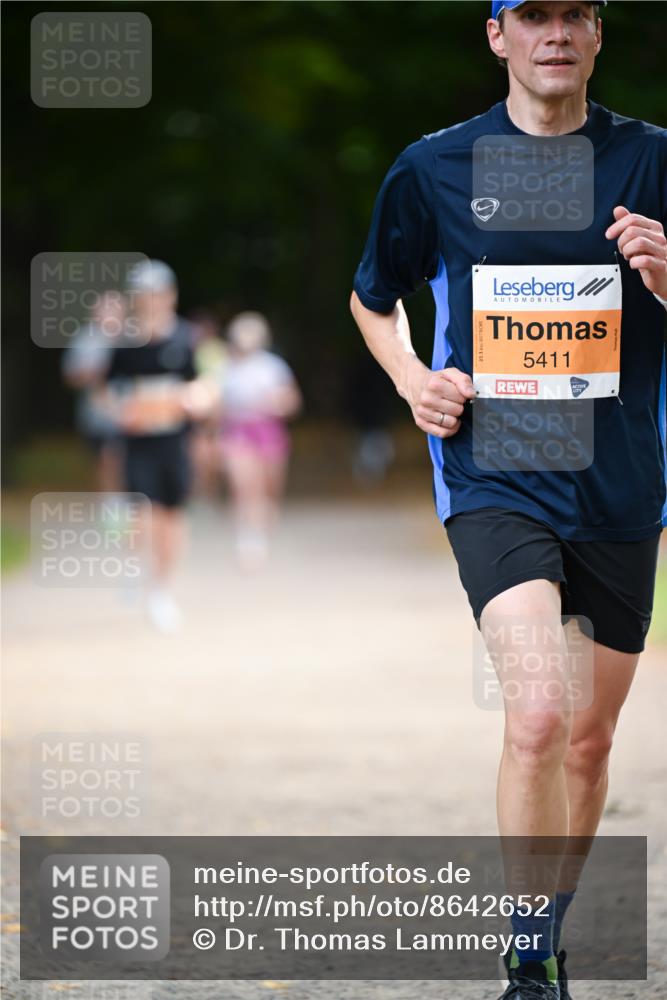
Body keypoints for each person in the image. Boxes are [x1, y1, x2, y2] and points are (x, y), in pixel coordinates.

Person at [350, 3, 666, 998]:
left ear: (599, 33)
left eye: (575, 13)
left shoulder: (652, 161)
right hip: (495, 472)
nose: (554, 32)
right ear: (497, 36)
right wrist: (411, 379)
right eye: (532, 15)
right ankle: (528, 957)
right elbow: (372, 294)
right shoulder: (437, 167)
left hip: (619, 482)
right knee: (536, 710)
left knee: (588, 736)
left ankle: (548, 927)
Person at [103, 260, 216, 632]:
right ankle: (135, 565)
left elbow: (202, 385)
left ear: (170, 296)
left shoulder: (186, 338)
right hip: (138, 442)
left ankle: (162, 590)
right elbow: (106, 391)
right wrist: (121, 412)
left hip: (175, 442)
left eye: (156, 294)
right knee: (141, 512)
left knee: (172, 516)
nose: (150, 302)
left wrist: (194, 400)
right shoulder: (125, 342)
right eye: (143, 296)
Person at [218, 311, 301, 570]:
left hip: (268, 431)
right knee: (244, 485)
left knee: (268, 488)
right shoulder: (225, 368)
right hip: (237, 431)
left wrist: (275, 404)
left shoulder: (273, 367)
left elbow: (292, 402)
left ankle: (261, 533)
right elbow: (215, 405)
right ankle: (247, 539)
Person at [61, 290, 125, 492]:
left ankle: (125, 501)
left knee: (115, 456)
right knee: (104, 461)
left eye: (114, 309)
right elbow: (70, 376)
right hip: (96, 416)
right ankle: (112, 501)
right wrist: (96, 373)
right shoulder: (84, 340)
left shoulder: (134, 337)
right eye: (105, 309)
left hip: (128, 414)